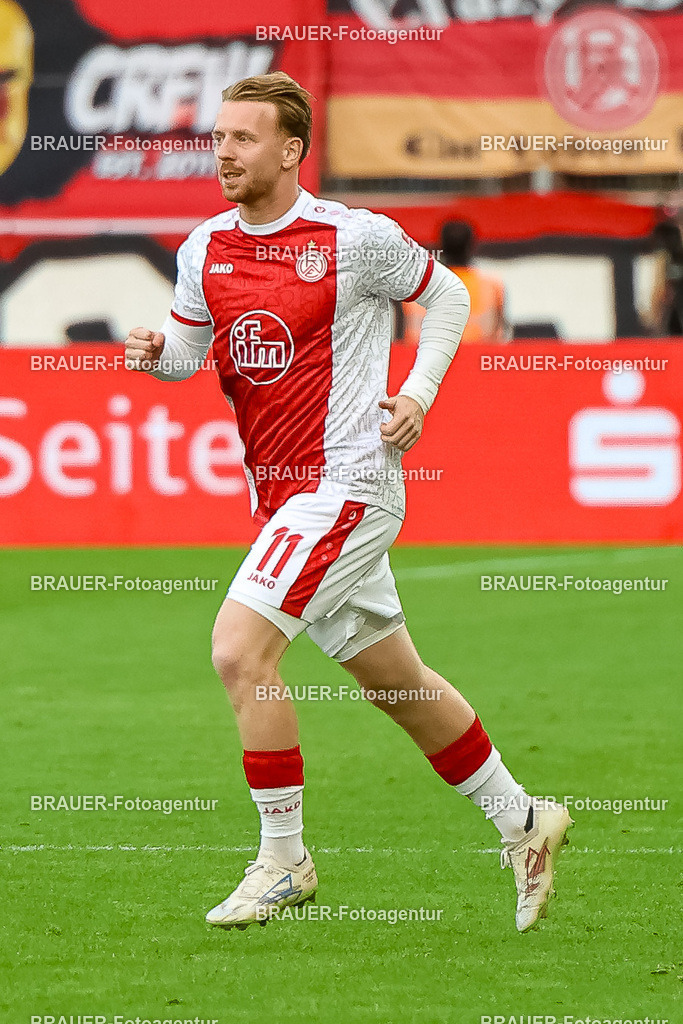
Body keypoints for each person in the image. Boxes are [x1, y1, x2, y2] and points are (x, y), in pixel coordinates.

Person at [124, 72, 572, 933]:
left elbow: (446, 295)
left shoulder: (352, 238)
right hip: (281, 496)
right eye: (217, 137)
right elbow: (186, 352)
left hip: (348, 485)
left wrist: (419, 392)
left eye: (242, 139)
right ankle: (522, 821)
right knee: (397, 684)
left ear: (290, 152)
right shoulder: (203, 246)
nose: (222, 152)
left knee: (237, 651)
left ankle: (282, 860)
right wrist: (154, 354)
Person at [402, 221, 509, 345]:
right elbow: (501, 334)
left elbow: (408, 336)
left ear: (440, 246)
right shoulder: (492, 284)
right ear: (472, 245)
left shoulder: (417, 286)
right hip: (477, 358)